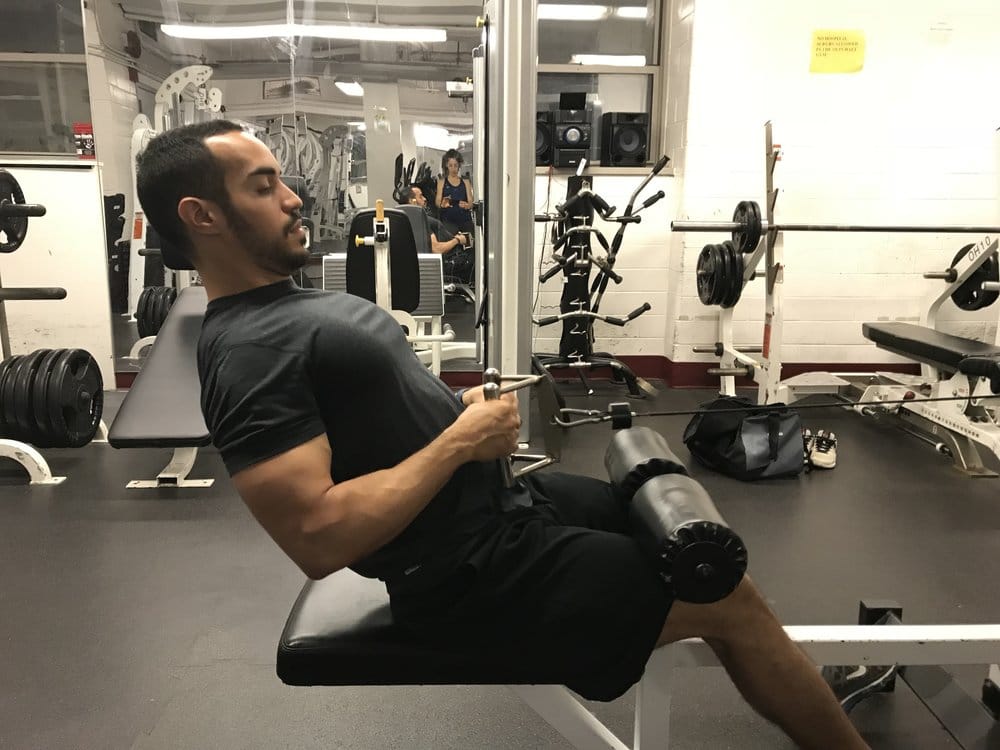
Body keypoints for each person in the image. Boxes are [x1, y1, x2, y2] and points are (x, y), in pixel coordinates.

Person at [135, 120, 887, 750]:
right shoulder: (250, 351)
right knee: (725, 600)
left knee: (700, 557)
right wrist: (459, 442)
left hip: (503, 514)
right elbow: (317, 537)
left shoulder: (285, 307)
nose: (293, 196)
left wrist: (452, 415)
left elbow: (372, 416)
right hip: (474, 575)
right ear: (202, 216)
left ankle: (789, 679)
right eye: (263, 187)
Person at [399, 184, 468, 256]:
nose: (424, 199)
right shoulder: (420, 221)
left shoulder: (407, 221)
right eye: (420, 196)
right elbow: (436, 249)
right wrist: (457, 240)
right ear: (412, 201)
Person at [435, 148, 474, 236]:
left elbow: (471, 201)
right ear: (446, 165)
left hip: (465, 221)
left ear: (459, 165)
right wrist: (442, 204)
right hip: (448, 222)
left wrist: (467, 205)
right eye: (450, 165)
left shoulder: (465, 182)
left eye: (455, 165)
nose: (453, 169)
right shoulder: (442, 182)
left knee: (468, 247)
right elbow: (437, 202)